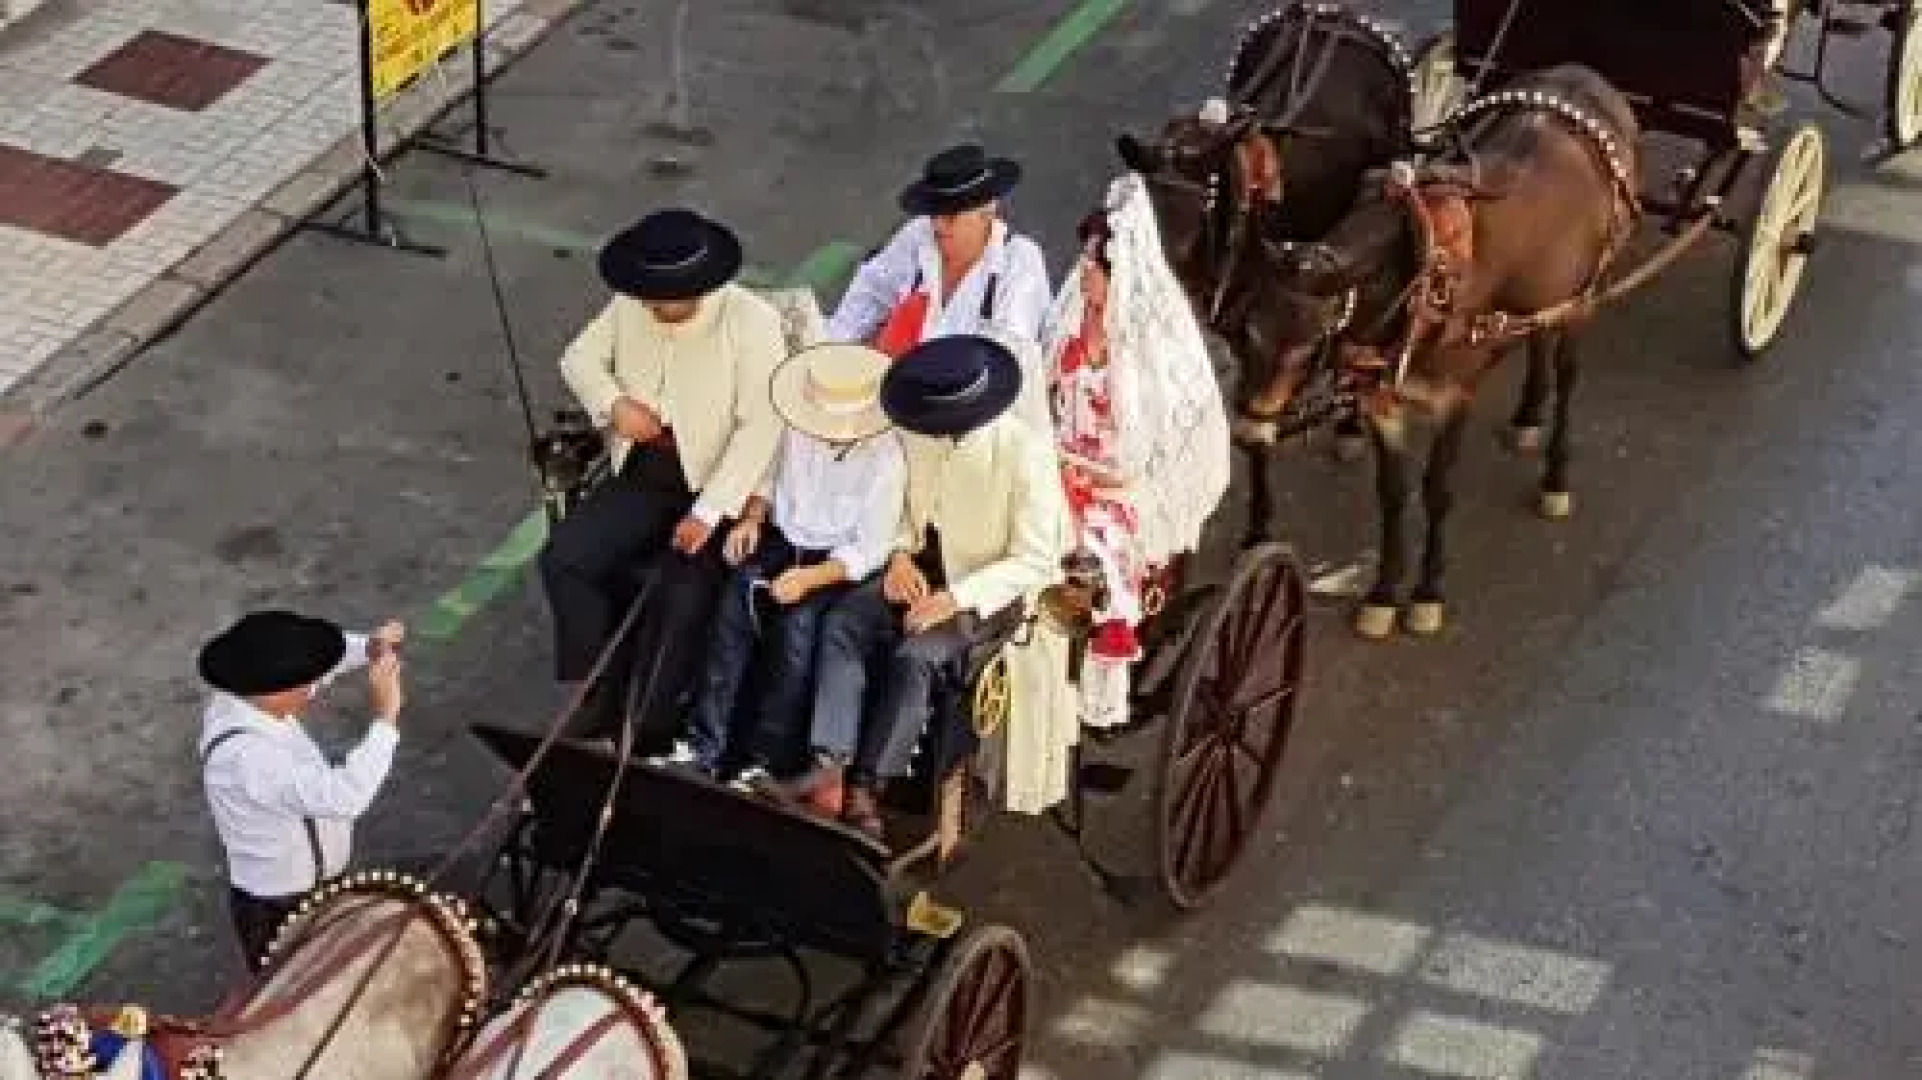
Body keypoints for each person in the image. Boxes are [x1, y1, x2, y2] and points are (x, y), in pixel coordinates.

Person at [797, 334, 1069, 841]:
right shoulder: (918, 436)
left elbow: (1034, 558)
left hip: (985, 593)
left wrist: (955, 599)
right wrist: (899, 555)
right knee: (845, 623)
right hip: (920, 573)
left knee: (917, 657)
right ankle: (829, 764)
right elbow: (902, 510)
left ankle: (869, 786)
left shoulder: (1023, 454)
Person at [538, 208, 787, 744]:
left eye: (662, 300)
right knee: (566, 558)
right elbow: (578, 358)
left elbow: (760, 427)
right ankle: (596, 688)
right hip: (646, 472)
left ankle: (652, 725)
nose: (651, 308)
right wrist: (615, 405)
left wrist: (708, 511)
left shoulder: (752, 323)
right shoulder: (630, 305)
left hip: (715, 483)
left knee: (681, 594)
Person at [666, 343, 908, 786]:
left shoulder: (887, 459)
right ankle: (703, 746)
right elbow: (769, 476)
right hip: (783, 540)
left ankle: (766, 763)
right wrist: (752, 518)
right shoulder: (795, 425)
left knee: (798, 634)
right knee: (733, 612)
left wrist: (809, 579)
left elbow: (868, 549)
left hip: (834, 567)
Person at [1041, 174, 1232, 729]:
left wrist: (1087, 475)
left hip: (1115, 494)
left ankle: (1088, 686)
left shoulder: (1150, 350)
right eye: (1083, 264)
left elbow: (1147, 447)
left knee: (1088, 558)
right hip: (1054, 470)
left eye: (1094, 269)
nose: (1082, 274)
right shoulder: (1068, 323)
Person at [197, 609, 406, 972]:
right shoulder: (248, 759)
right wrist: (385, 719)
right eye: (305, 685)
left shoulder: (251, 696)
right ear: (273, 692)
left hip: (318, 884)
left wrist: (369, 648)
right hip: (282, 906)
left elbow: (318, 666)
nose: (314, 691)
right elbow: (344, 797)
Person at [826, 143, 1054, 432]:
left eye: (950, 216)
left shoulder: (1018, 263)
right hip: (903, 403)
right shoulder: (917, 238)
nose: (938, 225)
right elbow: (867, 295)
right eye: (934, 213)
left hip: (984, 424)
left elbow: (1007, 366)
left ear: (987, 210)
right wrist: (830, 357)